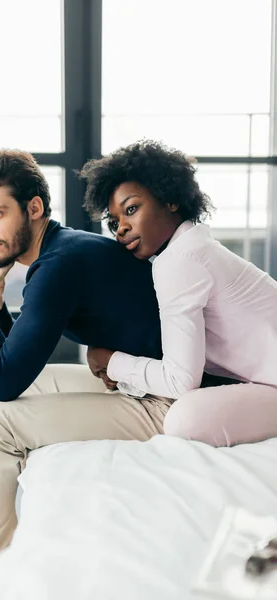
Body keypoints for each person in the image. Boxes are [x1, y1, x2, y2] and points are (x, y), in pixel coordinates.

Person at [0, 148, 175, 600]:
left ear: (33, 208)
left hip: (170, 399)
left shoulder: (58, 265)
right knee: (23, 387)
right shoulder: (63, 250)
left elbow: (4, 380)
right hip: (140, 380)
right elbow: (17, 362)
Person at [80, 139, 277, 449]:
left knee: (185, 419)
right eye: (115, 221)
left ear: (170, 200)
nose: (120, 229)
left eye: (132, 209)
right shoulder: (195, 248)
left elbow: (181, 381)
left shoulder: (180, 260)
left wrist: (111, 361)